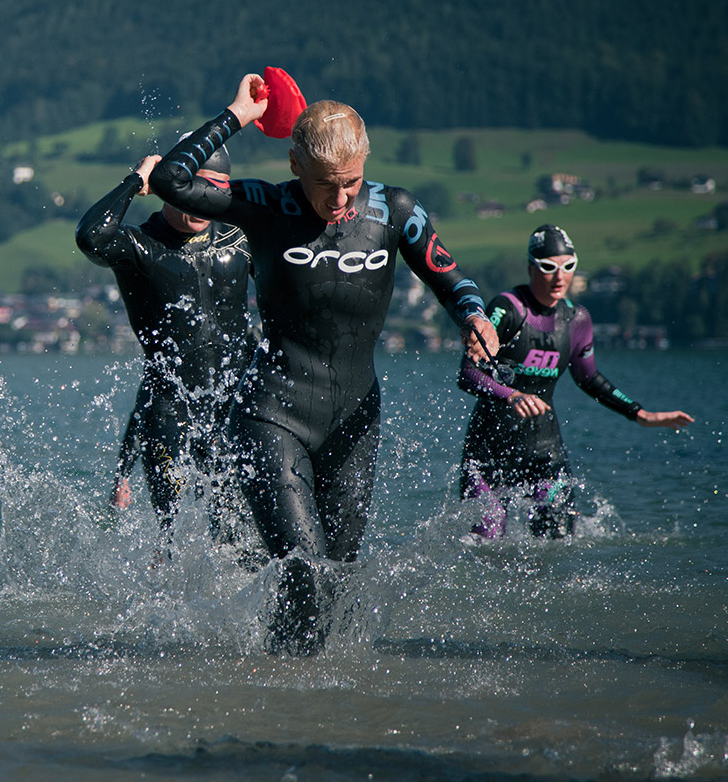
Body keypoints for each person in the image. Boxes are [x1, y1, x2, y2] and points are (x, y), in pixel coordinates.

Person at [147, 74, 499, 653]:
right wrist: (236, 114)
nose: (340, 201)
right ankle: (282, 705)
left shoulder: (395, 211)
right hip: (273, 417)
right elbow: (169, 180)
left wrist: (473, 318)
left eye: (350, 184)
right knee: (307, 578)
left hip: (355, 422)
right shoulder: (264, 206)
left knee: (337, 586)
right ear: (294, 166)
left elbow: (452, 280)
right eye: (325, 186)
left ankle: (301, 711)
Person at [456, 224, 694, 538]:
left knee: (557, 538)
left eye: (568, 266)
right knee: (486, 537)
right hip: (489, 450)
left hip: (544, 449)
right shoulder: (507, 309)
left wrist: (640, 414)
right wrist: (511, 394)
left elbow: (589, 378)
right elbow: (468, 372)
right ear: (530, 268)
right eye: (549, 267)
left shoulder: (576, 319)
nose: (560, 277)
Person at [75, 146, 253, 535]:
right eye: (193, 191)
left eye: (213, 194)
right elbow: (91, 237)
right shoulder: (141, 246)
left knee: (237, 536)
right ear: (170, 188)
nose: (203, 204)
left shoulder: (240, 238)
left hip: (236, 410)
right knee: (168, 538)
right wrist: (137, 180)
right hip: (169, 416)